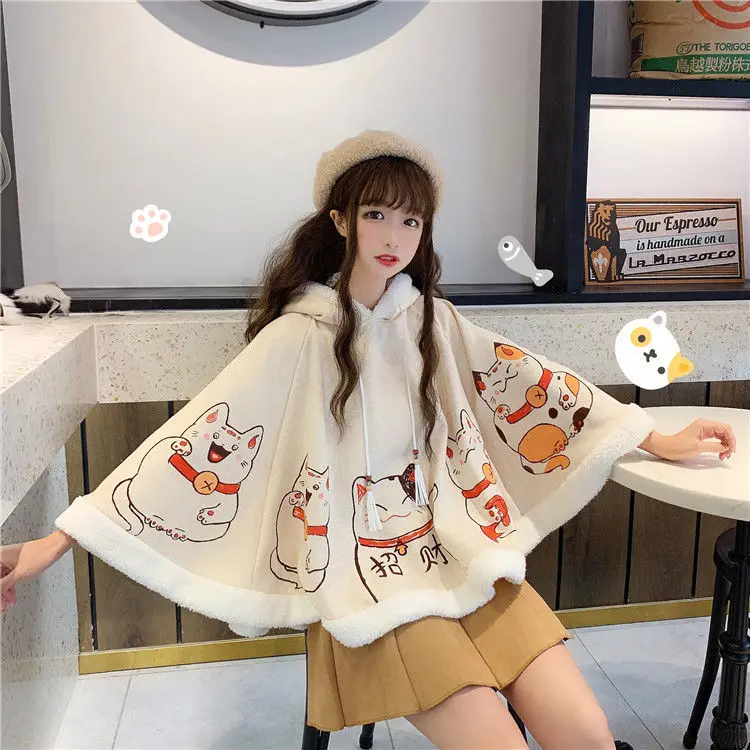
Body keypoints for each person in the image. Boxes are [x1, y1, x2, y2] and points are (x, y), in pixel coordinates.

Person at [1, 129, 736, 750]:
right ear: (340, 220)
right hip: (362, 583)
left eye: (412, 221)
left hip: (458, 553)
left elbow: (532, 385)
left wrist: (651, 436)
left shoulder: (431, 321)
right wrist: (60, 540)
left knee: (588, 733)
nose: (394, 237)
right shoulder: (298, 337)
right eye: (376, 214)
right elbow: (191, 442)